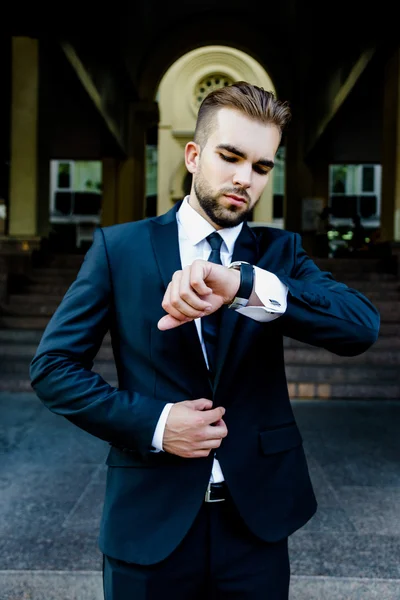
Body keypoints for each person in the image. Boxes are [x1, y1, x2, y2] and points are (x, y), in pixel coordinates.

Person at [30, 82, 380, 600]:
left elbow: (360, 326)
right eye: (230, 156)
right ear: (193, 155)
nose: (244, 178)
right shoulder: (119, 248)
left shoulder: (280, 255)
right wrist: (157, 423)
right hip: (148, 520)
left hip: (255, 524)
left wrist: (244, 284)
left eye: (262, 167)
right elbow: (53, 367)